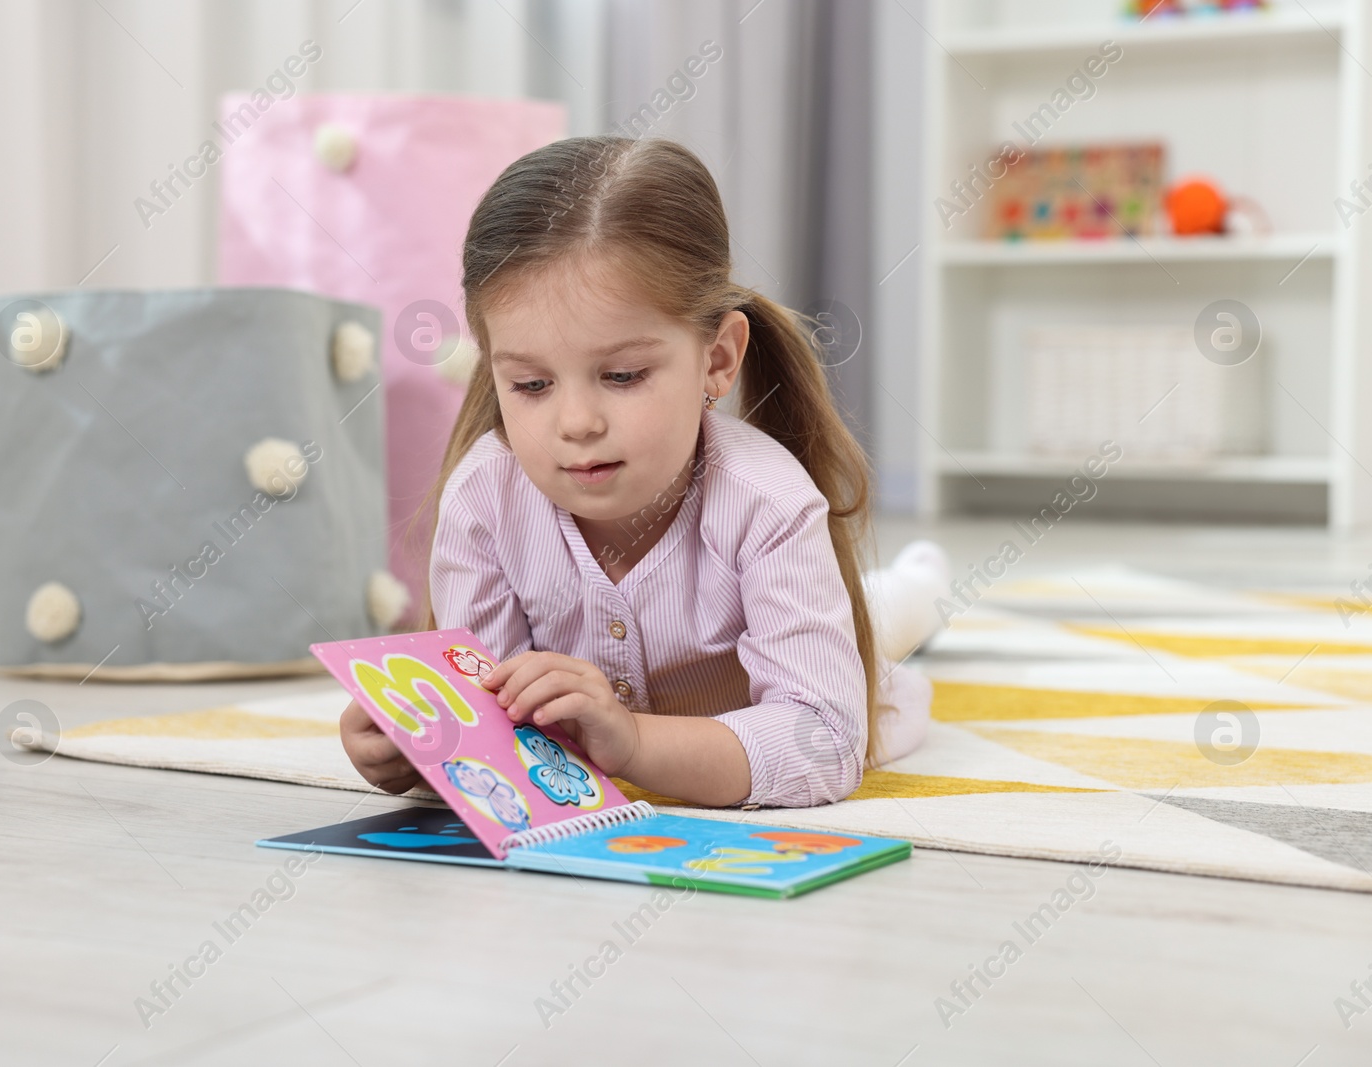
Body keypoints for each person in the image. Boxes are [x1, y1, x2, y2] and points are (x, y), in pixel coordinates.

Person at [340, 136, 949, 808]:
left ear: (717, 360)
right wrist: (421, 743)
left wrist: (631, 742)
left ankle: (925, 582)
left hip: (818, 681)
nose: (576, 423)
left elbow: (824, 741)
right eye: (532, 384)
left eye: (623, 375)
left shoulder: (768, 501)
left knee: (894, 615)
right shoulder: (486, 497)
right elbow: (491, 720)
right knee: (882, 602)